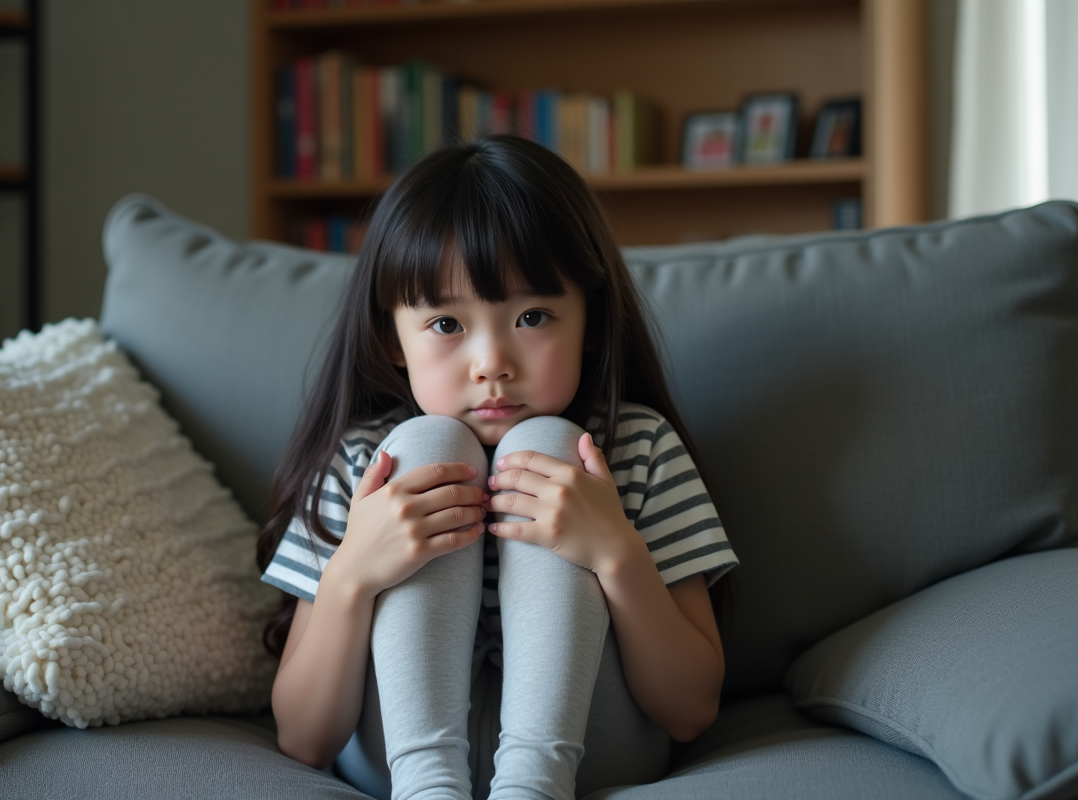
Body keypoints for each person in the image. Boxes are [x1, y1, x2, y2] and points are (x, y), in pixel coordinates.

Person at [255, 133, 739, 800]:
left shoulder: (636, 448)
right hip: (391, 759)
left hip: (594, 755)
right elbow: (304, 739)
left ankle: (533, 786)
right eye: (447, 326)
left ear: (591, 323)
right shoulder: (363, 464)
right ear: (391, 338)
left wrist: (614, 553)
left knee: (545, 444)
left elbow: (689, 712)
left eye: (533, 316)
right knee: (426, 447)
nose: (492, 363)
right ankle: (429, 789)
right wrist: (352, 577)